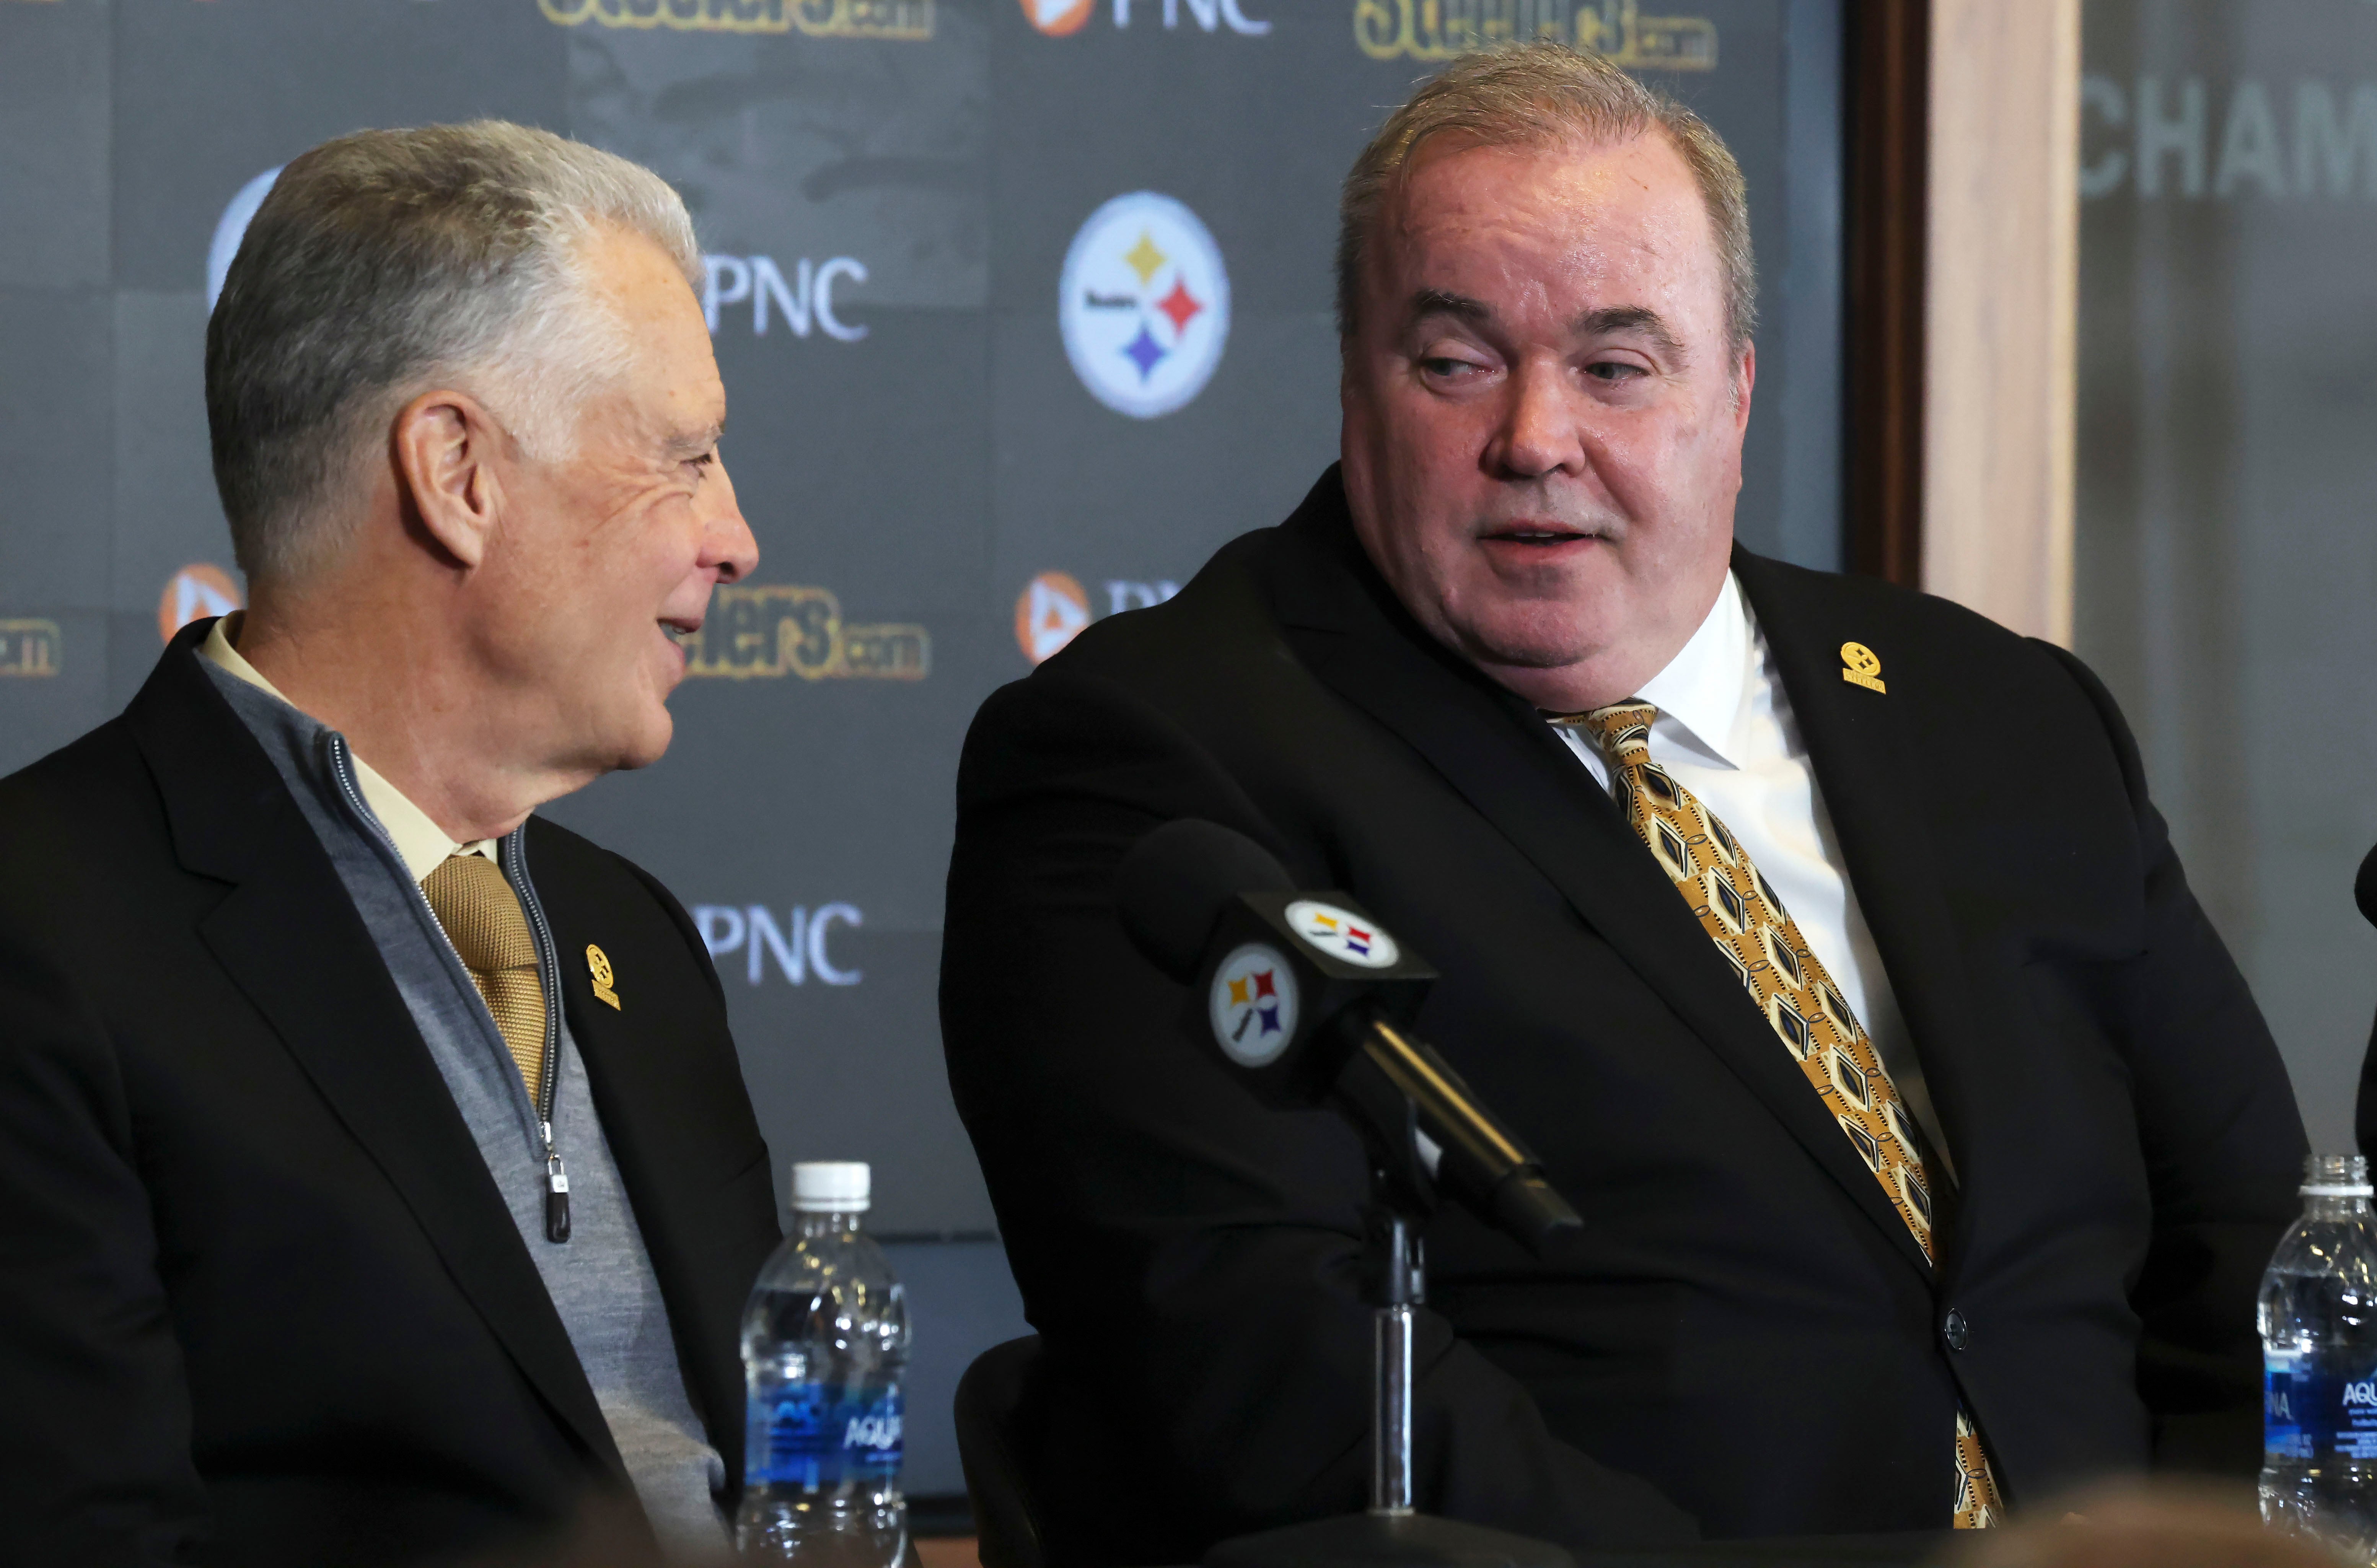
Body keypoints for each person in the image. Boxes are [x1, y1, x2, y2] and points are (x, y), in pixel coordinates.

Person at [939, 43, 2307, 1564]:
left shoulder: (2000, 716)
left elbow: (2251, 1247)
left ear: (1732, 393)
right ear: (1350, 382)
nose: (1536, 438)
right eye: (1456, 360)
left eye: (1615, 363)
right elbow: (1281, 1390)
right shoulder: (1154, 765)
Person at [0, 124, 777, 1568]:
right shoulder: (43, 931)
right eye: (685, 456)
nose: (734, 535)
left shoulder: (642, 946)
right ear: (457, 472)